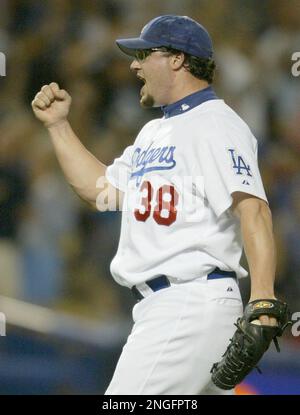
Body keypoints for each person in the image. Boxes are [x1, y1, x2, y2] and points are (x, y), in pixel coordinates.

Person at [31, 15, 278, 395]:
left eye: (144, 54)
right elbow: (100, 191)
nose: (134, 64)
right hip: (173, 306)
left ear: (177, 59)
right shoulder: (154, 131)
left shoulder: (216, 123)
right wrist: (58, 126)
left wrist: (263, 300)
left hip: (188, 301)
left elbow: (254, 209)